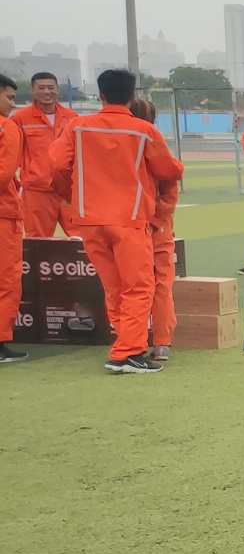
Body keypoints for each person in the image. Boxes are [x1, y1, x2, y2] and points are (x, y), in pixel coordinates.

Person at [33, 70, 183, 374]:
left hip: (89, 219)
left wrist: (72, 193)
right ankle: (128, 352)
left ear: (101, 95)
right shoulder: (143, 131)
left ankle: (124, 343)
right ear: (131, 96)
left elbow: (57, 164)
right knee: (139, 287)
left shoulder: (77, 126)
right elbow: (170, 171)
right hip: (128, 220)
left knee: (113, 287)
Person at [129, 98, 178, 361]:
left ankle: (130, 342)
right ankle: (161, 343)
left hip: (130, 226)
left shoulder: (119, 149)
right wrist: (155, 221)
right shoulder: (158, 148)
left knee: (129, 286)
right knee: (160, 285)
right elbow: (171, 188)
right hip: (155, 228)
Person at [12, 72, 80, 238]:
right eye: (41, 88)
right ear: (32, 91)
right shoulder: (20, 119)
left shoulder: (72, 117)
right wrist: (31, 170)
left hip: (69, 190)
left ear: (57, 90)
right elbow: (12, 152)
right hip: (37, 191)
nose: (47, 92)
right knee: (38, 240)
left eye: (51, 87)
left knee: (82, 238)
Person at [0, 75, 24, 362]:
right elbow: (4, 173)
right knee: (6, 279)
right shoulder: (7, 127)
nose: (12, 104)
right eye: (9, 97)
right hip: (3, 214)